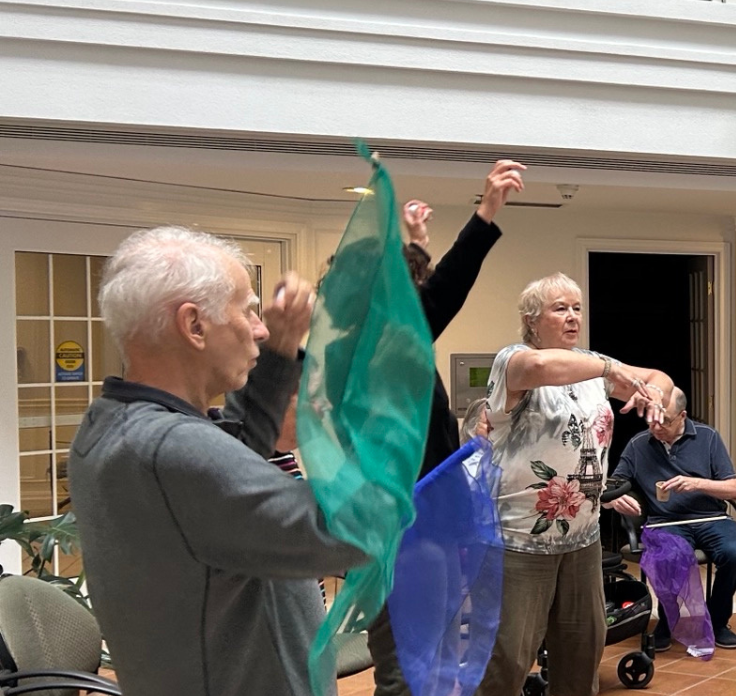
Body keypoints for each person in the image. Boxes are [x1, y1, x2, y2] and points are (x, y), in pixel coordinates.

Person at [69, 227, 366, 696]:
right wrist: (381, 417)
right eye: (248, 311)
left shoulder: (109, 423)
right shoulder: (171, 448)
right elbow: (349, 532)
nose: (260, 327)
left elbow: (231, 468)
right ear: (194, 325)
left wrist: (281, 348)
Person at [365, 160, 526, 696]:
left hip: (426, 527)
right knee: (406, 669)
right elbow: (441, 293)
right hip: (400, 535)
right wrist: (483, 213)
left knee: (431, 656)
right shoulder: (377, 354)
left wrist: (415, 244)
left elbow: (427, 294)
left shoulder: (391, 346)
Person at [477, 271, 674, 696]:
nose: (573, 317)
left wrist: (654, 395)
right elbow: (543, 366)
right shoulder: (513, 359)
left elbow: (659, 377)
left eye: (578, 307)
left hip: (583, 541)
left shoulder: (592, 367)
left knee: (581, 656)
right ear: (532, 320)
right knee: (507, 661)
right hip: (517, 542)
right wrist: (613, 368)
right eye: (560, 307)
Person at [604, 388, 736, 650]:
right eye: (652, 418)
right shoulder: (638, 444)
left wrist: (697, 484)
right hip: (665, 522)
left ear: (683, 416)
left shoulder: (708, 437)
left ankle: (716, 621)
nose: (656, 426)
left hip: (711, 518)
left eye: (665, 420)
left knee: (734, 554)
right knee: (669, 558)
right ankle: (669, 620)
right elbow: (614, 483)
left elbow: (734, 489)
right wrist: (612, 499)